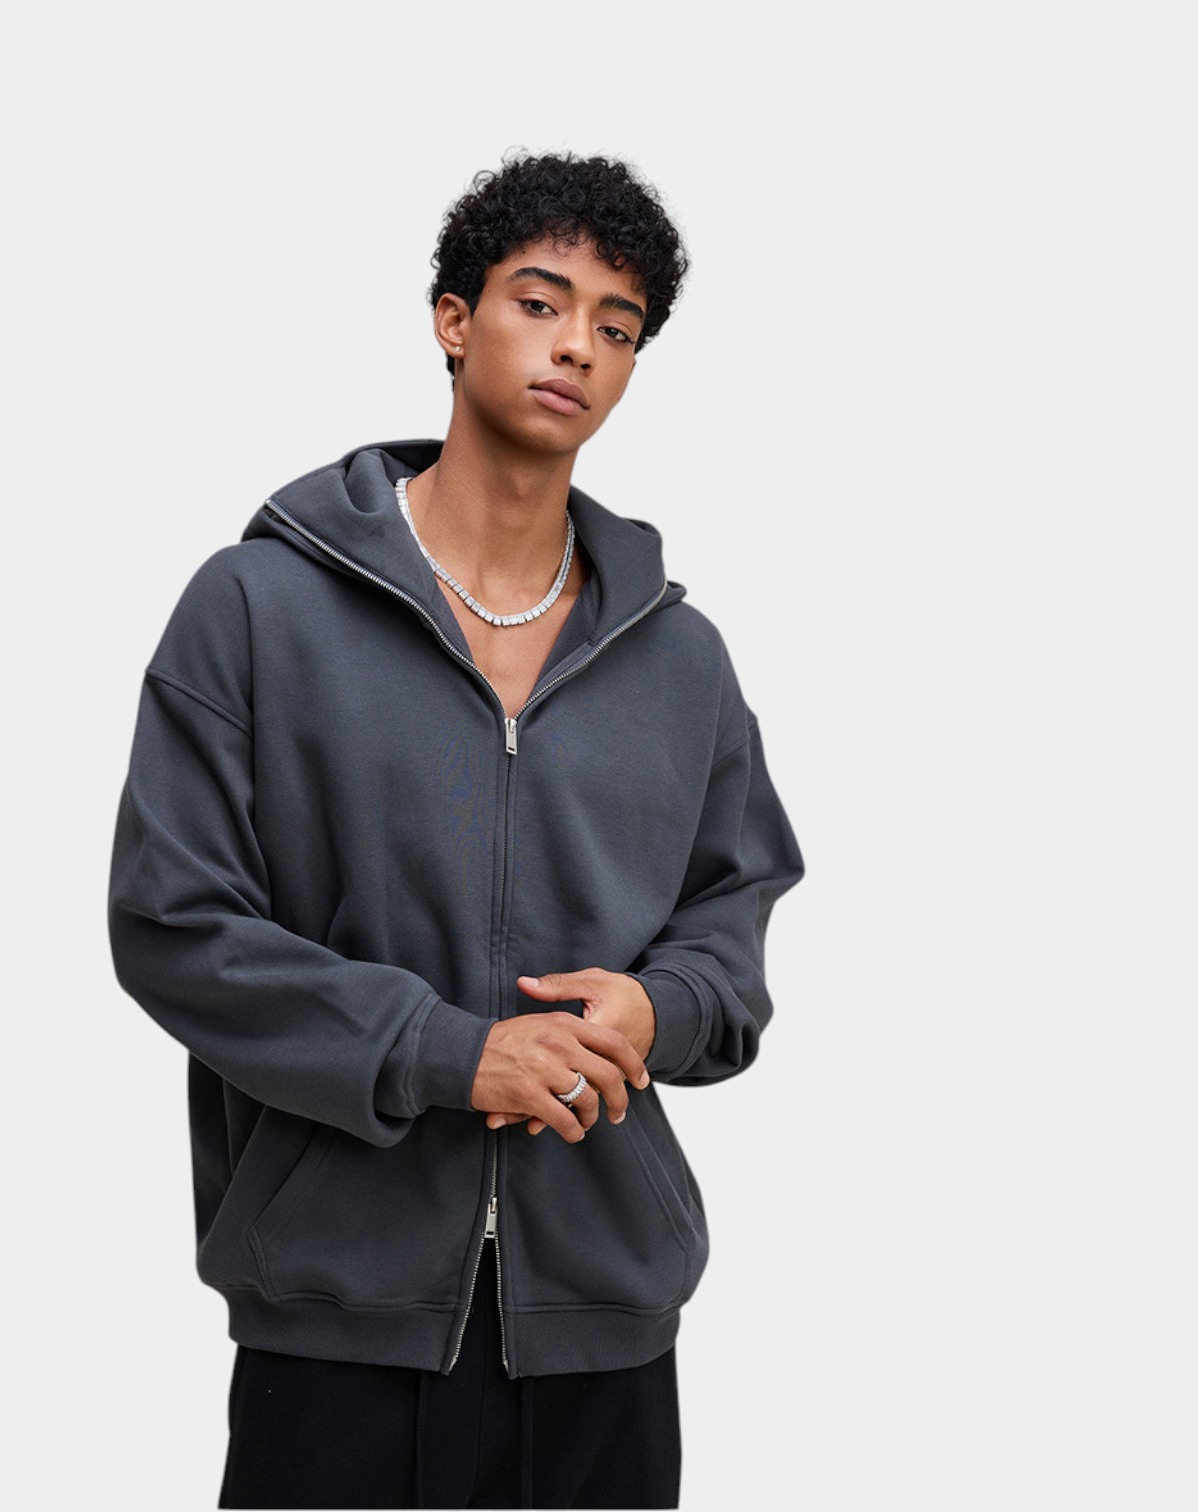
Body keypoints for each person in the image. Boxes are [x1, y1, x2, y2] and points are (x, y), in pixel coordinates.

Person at [107, 151, 805, 1510]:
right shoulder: (257, 609)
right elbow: (174, 926)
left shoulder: (682, 660)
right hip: (336, 1325)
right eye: (541, 302)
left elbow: (733, 924)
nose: (578, 345)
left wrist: (658, 1010)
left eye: (617, 327)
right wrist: (450, 1053)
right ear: (452, 317)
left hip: (604, 1327)